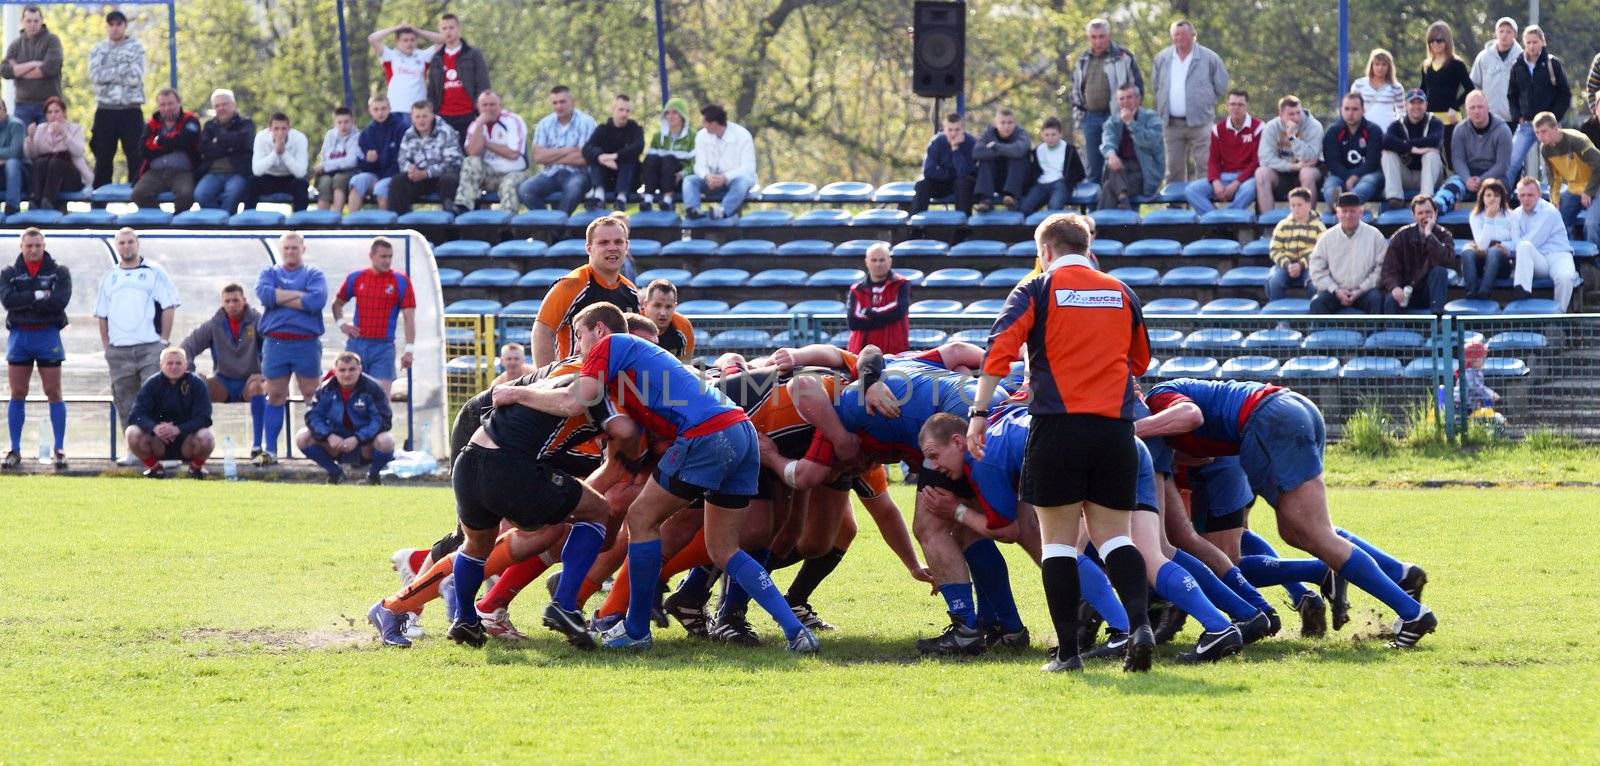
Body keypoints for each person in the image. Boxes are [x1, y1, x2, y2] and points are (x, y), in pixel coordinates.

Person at [968, 213, 1154, 673]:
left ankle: (1068, 655)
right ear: (1087, 248)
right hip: (1115, 432)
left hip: (1057, 429)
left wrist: (978, 414)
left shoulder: (1036, 289)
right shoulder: (1122, 291)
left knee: (1058, 546)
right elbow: (1141, 360)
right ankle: (1140, 625)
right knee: (1115, 539)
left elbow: (998, 352)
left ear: (1045, 251)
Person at [1140, 378, 1437, 649]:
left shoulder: (1157, 398)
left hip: (1268, 419)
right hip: (1286, 410)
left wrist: (1132, 431)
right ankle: (1399, 574)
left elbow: (1191, 416)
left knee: (1309, 533)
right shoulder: (1162, 411)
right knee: (1302, 531)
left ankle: (1411, 613)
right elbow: (1202, 453)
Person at [95, 228, 180, 440]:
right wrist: (107, 347)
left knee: (157, 398)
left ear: (137, 243)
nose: (126, 246)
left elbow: (169, 306)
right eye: (122, 243)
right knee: (125, 400)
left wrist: (163, 341)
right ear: (117, 246)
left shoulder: (154, 271)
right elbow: (101, 315)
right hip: (119, 351)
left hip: (150, 347)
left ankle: (163, 449)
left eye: (130, 242)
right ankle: (134, 447)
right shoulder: (109, 277)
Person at [254, 232, 327, 464]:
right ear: (280, 249)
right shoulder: (270, 272)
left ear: (303, 249)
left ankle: (319, 444)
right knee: (275, 394)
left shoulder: (314, 274)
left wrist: (279, 298)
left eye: (294, 248)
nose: (290, 252)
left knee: (311, 395)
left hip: (306, 342)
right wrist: (299, 297)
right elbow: (264, 295)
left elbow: (316, 301)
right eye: (286, 248)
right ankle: (271, 450)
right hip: (276, 342)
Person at [0, 228, 69, 470]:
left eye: (38, 245)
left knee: (53, 391)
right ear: (21, 247)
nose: (33, 250)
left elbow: (59, 303)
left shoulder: (59, 272)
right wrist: (40, 295)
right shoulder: (9, 273)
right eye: (29, 246)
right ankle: (15, 449)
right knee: (17, 392)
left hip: (47, 334)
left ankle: (59, 449)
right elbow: (8, 302)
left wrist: (26, 300)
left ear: (44, 245)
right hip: (20, 336)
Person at [178, 284, 268, 462]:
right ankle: (196, 443)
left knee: (259, 387)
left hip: (249, 382)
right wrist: (191, 371)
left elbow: (274, 346)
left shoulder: (258, 321)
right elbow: (187, 347)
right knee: (196, 384)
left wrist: (264, 373)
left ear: (244, 300)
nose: (232, 304)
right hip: (223, 382)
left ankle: (257, 446)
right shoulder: (214, 324)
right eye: (227, 301)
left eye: (236, 300)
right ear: (222, 303)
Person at [533, 216, 639, 367]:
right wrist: (545, 379)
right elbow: (542, 330)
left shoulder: (631, 291)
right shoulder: (571, 284)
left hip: (615, 381)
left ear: (626, 246)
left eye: (618, 242)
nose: (612, 247)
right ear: (589, 248)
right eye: (603, 242)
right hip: (574, 380)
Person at [294, 351, 394, 485]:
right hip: (336, 444)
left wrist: (358, 438)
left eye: (352, 369)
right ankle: (335, 473)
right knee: (302, 437)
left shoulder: (373, 388)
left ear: (360, 369)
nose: (347, 374)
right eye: (342, 370)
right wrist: (329, 435)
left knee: (386, 440)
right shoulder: (325, 388)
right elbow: (313, 416)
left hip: (364, 444)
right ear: (335, 371)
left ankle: (373, 476)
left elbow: (382, 420)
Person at [332, 237, 416, 394]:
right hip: (357, 344)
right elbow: (337, 304)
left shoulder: (401, 280)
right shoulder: (357, 277)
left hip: (384, 346)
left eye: (390, 256)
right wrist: (342, 324)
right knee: (351, 395)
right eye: (383, 256)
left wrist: (409, 350)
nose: (387, 261)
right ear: (372, 256)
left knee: (381, 396)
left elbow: (409, 317)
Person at [1151, 19, 1229, 185]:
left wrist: (1204, 100)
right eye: (1176, 34)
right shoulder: (1162, 58)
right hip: (1171, 124)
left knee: (1205, 165)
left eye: (1184, 34)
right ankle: (1175, 207)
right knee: (1173, 168)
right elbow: (1156, 86)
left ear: (1193, 35)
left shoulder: (1209, 57)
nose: (1179, 37)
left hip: (1201, 122)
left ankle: (1205, 204)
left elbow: (1221, 85)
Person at [1070, 18, 1143, 184]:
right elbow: (1076, 90)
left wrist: (1131, 114)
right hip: (1091, 118)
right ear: (1088, 38)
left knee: (1120, 163)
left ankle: (1123, 206)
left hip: (1118, 116)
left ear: (1108, 36)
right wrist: (1079, 114)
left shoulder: (1124, 56)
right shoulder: (1082, 60)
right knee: (1093, 168)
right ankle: (1093, 209)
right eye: (1094, 37)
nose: (1098, 41)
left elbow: (1138, 88)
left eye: (1102, 36)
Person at [126, 347, 214, 479]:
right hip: (158, 442)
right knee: (132, 433)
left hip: (187, 441)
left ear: (186, 365)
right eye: (170, 363)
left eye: (178, 363)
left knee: (207, 437)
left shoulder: (197, 384)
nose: (174, 367)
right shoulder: (152, 384)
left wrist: (178, 429)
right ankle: (156, 469)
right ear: (161, 365)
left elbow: (205, 418)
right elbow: (136, 415)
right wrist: (154, 428)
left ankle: (195, 469)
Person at [1506, 26, 1571, 187]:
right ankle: (1502, 199)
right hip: (1526, 124)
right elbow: (1512, 94)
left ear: (1542, 42)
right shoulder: (1518, 65)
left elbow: (1565, 93)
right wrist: (1517, 115)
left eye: (1535, 42)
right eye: (1528, 42)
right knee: (1511, 162)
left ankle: (1555, 201)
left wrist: (1554, 117)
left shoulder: (1552, 64)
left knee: (1552, 165)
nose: (1532, 46)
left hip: (1549, 125)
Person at [88, 9, 145, 188]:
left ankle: (139, 201)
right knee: (103, 156)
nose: (115, 28)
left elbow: (136, 76)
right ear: (106, 27)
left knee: (136, 156)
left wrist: (110, 71)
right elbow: (96, 75)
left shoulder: (137, 48)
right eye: (111, 24)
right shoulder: (98, 49)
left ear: (125, 26)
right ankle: (99, 206)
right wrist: (123, 68)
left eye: (118, 24)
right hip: (106, 110)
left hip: (131, 110)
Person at [517, 86, 596, 214]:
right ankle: (550, 225)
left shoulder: (587, 122)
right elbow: (538, 157)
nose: (559, 106)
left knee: (574, 188)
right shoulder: (544, 124)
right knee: (525, 190)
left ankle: (556, 228)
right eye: (555, 103)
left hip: (578, 174)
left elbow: (584, 157)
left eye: (563, 102)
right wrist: (569, 150)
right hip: (550, 174)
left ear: (572, 102)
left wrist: (551, 156)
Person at [1309, 193, 1387, 314]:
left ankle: (1375, 333)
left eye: (1352, 211)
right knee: (1318, 302)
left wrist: (1360, 290)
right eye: (1344, 211)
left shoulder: (1375, 235)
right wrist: (1336, 290)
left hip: (1365, 292)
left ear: (1360, 212)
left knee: (1377, 299)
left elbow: (1381, 268)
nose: (1348, 215)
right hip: (1334, 292)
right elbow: (1316, 269)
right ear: (1337, 213)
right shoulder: (1326, 237)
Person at [1186, 89, 1261, 214]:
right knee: (1192, 190)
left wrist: (1237, 182)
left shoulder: (1258, 127)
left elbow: (1256, 162)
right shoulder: (1218, 129)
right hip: (1224, 176)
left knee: (1249, 190)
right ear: (1227, 106)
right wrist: (1215, 181)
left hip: (1248, 178)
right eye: (1232, 104)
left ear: (1246, 106)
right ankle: (1217, 222)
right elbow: (1213, 160)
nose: (1236, 108)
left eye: (1240, 104)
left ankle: (1227, 219)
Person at [1509, 175, 1577, 310]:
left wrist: (1504, 246)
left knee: (1566, 277)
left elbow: (1534, 239)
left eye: (1530, 195)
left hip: (1558, 255)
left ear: (1539, 195)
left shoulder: (1549, 211)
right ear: (1517, 196)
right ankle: (1522, 295)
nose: (1526, 199)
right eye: (1522, 195)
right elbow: (1517, 243)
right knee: (1524, 246)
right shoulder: (1515, 214)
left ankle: (1559, 316)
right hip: (1537, 259)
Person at [453, 90, 527, 214]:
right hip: (488, 175)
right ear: (478, 106)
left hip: (514, 173)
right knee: (470, 162)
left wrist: (486, 143)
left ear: (500, 105)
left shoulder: (513, 121)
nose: (488, 109)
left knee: (508, 184)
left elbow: (513, 154)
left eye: (492, 105)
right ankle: (463, 208)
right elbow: (472, 152)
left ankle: (507, 226)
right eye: (485, 105)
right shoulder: (475, 125)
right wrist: (480, 124)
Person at [1534, 111, 1600, 248]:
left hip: (1596, 185)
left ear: (1555, 128)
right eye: (1537, 133)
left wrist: (1588, 191)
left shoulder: (1577, 140)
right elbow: (1553, 177)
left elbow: (1598, 163)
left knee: (1592, 223)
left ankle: (1594, 262)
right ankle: (1567, 254)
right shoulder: (1545, 149)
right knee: (1557, 219)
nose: (1541, 136)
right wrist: (1555, 199)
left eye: (1544, 131)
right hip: (1574, 187)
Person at [681, 104, 757, 220]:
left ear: (714, 124)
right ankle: (693, 210)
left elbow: (748, 167)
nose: (703, 126)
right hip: (712, 180)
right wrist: (707, 176)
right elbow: (699, 165)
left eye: (705, 122)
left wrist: (725, 177)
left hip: (735, 179)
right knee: (689, 181)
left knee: (742, 182)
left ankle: (722, 211)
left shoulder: (742, 135)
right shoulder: (701, 136)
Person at [1381, 195, 1454, 314]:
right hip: (1405, 291)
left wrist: (1429, 235)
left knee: (1439, 272)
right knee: (1390, 300)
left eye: (1428, 212)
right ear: (1414, 215)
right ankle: (1393, 332)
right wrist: (1395, 287)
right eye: (1420, 213)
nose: (1425, 216)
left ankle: (1438, 321)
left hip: (1429, 292)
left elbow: (1446, 259)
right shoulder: (1401, 236)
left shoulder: (1444, 235)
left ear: (1435, 213)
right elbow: (1389, 268)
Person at [386, 100, 461, 215]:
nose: (421, 120)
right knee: (398, 181)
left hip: (442, 176)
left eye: (424, 116)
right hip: (418, 177)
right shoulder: (408, 135)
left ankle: (451, 226)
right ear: (412, 118)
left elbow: (452, 162)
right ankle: (399, 225)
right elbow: (402, 160)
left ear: (432, 116)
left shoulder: (446, 131)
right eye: (417, 117)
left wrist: (427, 173)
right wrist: (411, 171)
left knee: (449, 179)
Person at [131, 88, 200, 212]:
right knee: (138, 194)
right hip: (155, 172)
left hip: (183, 172)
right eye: (163, 105)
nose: (167, 108)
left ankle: (178, 224)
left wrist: (159, 142)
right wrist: (173, 145)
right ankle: (160, 221)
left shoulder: (190, 120)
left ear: (179, 103)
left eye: (170, 103)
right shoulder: (152, 124)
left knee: (185, 195)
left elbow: (185, 142)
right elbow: (143, 150)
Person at [425, 13, 490, 141]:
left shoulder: (473, 54)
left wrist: (480, 106)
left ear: (458, 28)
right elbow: (431, 89)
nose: (448, 31)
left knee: (469, 155)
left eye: (451, 27)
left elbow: (483, 83)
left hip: (468, 113)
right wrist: (431, 111)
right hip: (444, 115)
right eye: (444, 28)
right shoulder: (437, 58)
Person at [1098, 83, 1163, 210]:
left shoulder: (1151, 118)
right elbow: (1107, 140)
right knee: (1112, 173)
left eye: (1129, 97)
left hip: (1143, 174)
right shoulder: (1113, 121)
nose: (1125, 101)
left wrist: (1131, 123)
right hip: (1120, 170)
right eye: (1122, 99)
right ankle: (1124, 204)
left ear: (1138, 99)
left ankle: (1101, 228)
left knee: (1109, 185)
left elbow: (1151, 141)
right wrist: (1111, 155)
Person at [1254, 94, 1323, 214]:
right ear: (1281, 114)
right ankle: (1268, 224)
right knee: (1261, 173)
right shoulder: (1271, 127)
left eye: (1298, 112)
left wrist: (1292, 138)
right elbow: (1265, 159)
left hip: (1309, 172)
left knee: (1306, 173)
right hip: (1281, 173)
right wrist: (1292, 166)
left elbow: (1310, 157)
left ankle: (1308, 223)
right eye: (1291, 114)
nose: (1296, 117)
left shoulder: (1314, 126)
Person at [193, 90, 255, 214]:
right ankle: (218, 223)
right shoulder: (209, 126)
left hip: (238, 172)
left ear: (234, 105)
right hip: (213, 172)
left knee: (232, 194)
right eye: (217, 105)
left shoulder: (246, 124)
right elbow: (204, 148)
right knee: (200, 194)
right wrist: (231, 146)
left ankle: (227, 228)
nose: (221, 108)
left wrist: (218, 140)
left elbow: (244, 142)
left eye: (224, 104)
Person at [24, 96, 90, 212]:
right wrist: (30, 138)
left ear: (64, 113)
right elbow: (31, 155)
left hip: (71, 176)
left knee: (56, 162)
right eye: (49, 112)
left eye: (57, 111)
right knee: (40, 162)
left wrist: (64, 134)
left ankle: (48, 200)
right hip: (47, 175)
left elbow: (79, 152)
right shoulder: (41, 129)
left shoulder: (75, 129)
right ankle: (36, 199)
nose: (53, 115)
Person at [1381, 89, 1446, 207]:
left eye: (1420, 102)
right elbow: (1385, 142)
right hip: (1407, 176)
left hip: (1431, 177)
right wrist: (1412, 149)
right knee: (1387, 154)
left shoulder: (1435, 122)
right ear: (1406, 105)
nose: (1416, 106)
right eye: (1412, 103)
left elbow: (1434, 140)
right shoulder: (1397, 124)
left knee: (1431, 154)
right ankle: (1395, 198)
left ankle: (1426, 199)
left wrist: (1401, 145)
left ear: (1426, 105)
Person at [0, 5, 62, 127]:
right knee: (23, 144)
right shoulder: (16, 45)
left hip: (48, 105)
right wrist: (33, 64)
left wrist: (18, 70)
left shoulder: (52, 41)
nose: (32, 24)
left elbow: (49, 68)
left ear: (42, 21)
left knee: (47, 144)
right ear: (22, 21)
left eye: (36, 21)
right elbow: (5, 71)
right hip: (22, 105)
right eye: (28, 21)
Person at [579, 94, 644, 211]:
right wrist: (601, 157)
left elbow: (638, 147)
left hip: (629, 180)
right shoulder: (602, 129)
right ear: (613, 109)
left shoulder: (635, 129)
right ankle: (599, 197)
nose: (624, 114)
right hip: (606, 179)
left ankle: (621, 199)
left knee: (629, 158)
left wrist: (615, 156)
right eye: (621, 110)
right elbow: (587, 148)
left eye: (627, 111)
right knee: (595, 158)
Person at [1320, 93, 1384, 210]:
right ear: (1341, 110)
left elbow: (1373, 161)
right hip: (1339, 175)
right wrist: (1348, 177)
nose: (1350, 113)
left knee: (1367, 183)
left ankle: (1347, 208)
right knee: (1330, 186)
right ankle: (1338, 209)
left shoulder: (1373, 130)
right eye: (1347, 109)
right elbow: (1332, 163)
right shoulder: (1333, 132)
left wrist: (1355, 176)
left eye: (1355, 109)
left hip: (1369, 174)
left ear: (1363, 110)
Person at [845, 243, 910, 355]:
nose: (878, 264)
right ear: (867, 262)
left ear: (889, 261)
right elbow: (853, 322)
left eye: (882, 260)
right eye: (874, 260)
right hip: (860, 354)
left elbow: (899, 311)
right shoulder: (857, 289)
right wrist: (885, 319)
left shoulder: (901, 284)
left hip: (895, 353)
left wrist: (869, 313)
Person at [348, 95, 409, 212]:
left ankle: (384, 227)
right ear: (370, 110)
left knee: (381, 187)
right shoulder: (366, 133)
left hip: (394, 176)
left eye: (383, 108)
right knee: (357, 181)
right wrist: (369, 161)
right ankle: (351, 225)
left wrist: (384, 178)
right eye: (376, 109)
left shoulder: (401, 128)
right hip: (374, 175)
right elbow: (361, 162)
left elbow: (403, 160)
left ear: (389, 108)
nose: (380, 113)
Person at [367, 24, 441, 117]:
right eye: (405, 40)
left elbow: (442, 41)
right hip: (396, 111)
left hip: (419, 112)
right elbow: (372, 39)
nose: (409, 43)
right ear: (397, 42)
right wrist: (395, 28)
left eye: (412, 40)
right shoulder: (390, 56)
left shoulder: (423, 56)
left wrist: (418, 31)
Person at [1449, 90, 1513, 197]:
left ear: (1487, 107)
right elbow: (1457, 159)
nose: (1476, 111)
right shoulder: (1460, 129)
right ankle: (1435, 209)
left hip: (1495, 176)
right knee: (1449, 190)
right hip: (1467, 175)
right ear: (1466, 110)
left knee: (1495, 193)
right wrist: (1467, 179)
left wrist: (1481, 179)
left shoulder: (1503, 130)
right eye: (1472, 108)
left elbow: (1502, 164)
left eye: (1480, 107)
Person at [910, 112, 975, 214]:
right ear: (944, 130)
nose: (953, 134)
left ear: (963, 129)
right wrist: (951, 174)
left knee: (963, 183)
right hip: (942, 183)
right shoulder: (937, 142)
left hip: (963, 185)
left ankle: (963, 226)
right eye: (950, 130)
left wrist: (955, 150)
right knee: (922, 185)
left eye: (957, 130)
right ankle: (916, 226)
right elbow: (928, 171)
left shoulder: (970, 142)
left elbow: (964, 173)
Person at [1266, 187, 1323, 302]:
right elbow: (1274, 249)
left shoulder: (1319, 226)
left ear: (1308, 205)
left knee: (1315, 284)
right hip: (1286, 264)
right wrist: (1287, 264)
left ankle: (1314, 318)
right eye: (1293, 205)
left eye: (1299, 205)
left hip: (1309, 265)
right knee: (1274, 282)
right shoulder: (1283, 225)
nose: (1296, 209)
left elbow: (1321, 252)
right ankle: (1280, 318)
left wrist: (1301, 264)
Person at [246, 112, 309, 211]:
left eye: (283, 128)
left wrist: (283, 153)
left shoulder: (299, 138)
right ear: (270, 129)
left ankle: (298, 223)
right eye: (276, 128)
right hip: (268, 177)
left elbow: (301, 173)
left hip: (290, 178)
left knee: (301, 184)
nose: (280, 132)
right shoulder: (261, 137)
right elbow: (257, 171)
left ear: (289, 129)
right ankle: (248, 221)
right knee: (252, 183)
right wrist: (275, 153)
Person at [971, 108, 1031, 211]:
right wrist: (1006, 150)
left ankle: (1010, 197)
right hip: (996, 179)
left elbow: (1018, 151)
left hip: (1019, 181)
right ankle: (985, 200)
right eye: (1002, 123)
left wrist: (995, 146)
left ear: (1015, 123)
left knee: (1017, 158)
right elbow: (976, 153)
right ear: (995, 124)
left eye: (1010, 122)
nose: (1006, 126)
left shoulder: (1022, 134)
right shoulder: (988, 133)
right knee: (985, 161)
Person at [639, 97, 693, 212]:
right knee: (652, 159)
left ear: (682, 115)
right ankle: (648, 199)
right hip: (659, 179)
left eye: (674, 112)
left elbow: (697, 163)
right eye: (667, 113)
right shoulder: (658, 136)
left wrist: (683, 173)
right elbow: (649, 163)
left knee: (669, 159)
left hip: (680, 179)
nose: (670, 116)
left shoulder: (693, 135)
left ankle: (667, 200)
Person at [1463, 179, 1514, 299]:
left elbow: (1516, 241)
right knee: (1467, 251)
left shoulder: (1511, 215)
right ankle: (1470, 293)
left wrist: (1503, 246)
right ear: (1482, 197)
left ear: (1502, 197)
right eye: (1488, 195)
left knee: (1494, 251)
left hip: (1502, 263)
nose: (1492, 198)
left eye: (1496, 195)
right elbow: (1481, 246)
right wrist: (1489, 219)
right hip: (1481, 260)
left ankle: (1484, 293)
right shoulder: (1475, 216)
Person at [1020, 117, 1080, 214]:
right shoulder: (1038, 150)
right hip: (1041, 184)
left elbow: (1079, 172)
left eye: (1053, 134)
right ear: (1042, 135)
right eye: (1047, 135)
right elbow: (1033, 171)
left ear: (1060, 134)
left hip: (1060, 183)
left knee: (1054, 208)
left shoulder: (1069, 150)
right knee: (1025, 208)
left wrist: (1069, 183)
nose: (1050, 138)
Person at [1418, 21, 1473, 126]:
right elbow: (1423, 90)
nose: (1435, 44)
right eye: (1431, 40)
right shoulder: (1426, 66)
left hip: (1450, 119)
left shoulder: (1457, 64)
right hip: (1430, 119)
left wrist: (1454, 107)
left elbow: (1470, 89)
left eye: (1439, 40)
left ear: (1447, 40)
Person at [1470, 17, 1522, 122]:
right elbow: (1474, 84)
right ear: (1496, 33)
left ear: (1515, 35)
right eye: (1501, 31)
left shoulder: (1522, 58)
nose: (1504, 34)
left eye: (1508, 31)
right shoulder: (1483, 57)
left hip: (1514, 118)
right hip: (1488, 118)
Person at [313, 106, 361, 213]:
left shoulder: (357, 137)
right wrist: (327, 165)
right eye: (339, 122)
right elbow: (324, 157)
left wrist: (327, 166)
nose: (343, 125)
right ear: (334, 122)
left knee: (339, 179)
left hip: (349, 172)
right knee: (325, 182)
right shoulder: (330, 135)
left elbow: (352, 161)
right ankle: (321, 222)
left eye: (346, 122)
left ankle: (336, 216)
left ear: (353, 121)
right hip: (329, 174)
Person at [1351, 48, 1406, 133]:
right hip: (1364, 131)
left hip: (1387, 132)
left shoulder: (1396, 87)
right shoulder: (1359, 84)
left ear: (1389, 67)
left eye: (1384, 64)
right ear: (1371, 66)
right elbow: (1352, 108)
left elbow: (1402, 114)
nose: (1380, 68)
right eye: (1377, 64)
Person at [638, 279, 694, 362]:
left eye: (668, 307)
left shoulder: (683, 326)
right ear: (645, 305)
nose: (663, 313)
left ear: (675, 307)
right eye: (657, 306)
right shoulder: (632, 325)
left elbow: (685, 366)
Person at [0, 103, 20, 214]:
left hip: (18, 175)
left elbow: (15, 151)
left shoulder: (16, 125)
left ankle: (12, 206)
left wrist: (4, 160)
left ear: (5, 110)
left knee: (12, 162)